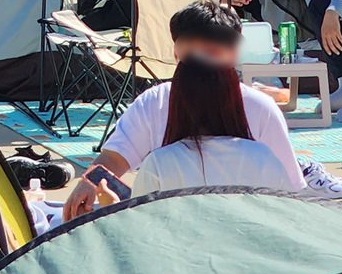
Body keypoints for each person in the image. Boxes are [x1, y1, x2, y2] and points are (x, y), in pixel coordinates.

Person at [62, 0, 304, 217]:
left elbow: (289, 191)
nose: (201, 61)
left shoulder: (260, 108)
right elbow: (116, 156)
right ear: (176, 52)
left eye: (211, 52)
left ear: (233, 54)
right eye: (193, 52)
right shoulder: (154, 102)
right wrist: (89, 181)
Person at [129, 47, 304, 198]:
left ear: (177, 101)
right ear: (235, 98)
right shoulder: (263, 157)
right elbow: (287, 210)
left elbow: (138, 220)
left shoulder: (158, 163)